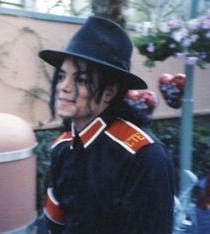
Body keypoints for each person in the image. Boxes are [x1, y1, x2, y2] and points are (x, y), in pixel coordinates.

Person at [37, 16, 174, 234]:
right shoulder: (62, 148)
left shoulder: (144, 156)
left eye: (81, 79)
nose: (64, 86)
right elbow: (53, 225)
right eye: (62, 76)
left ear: (109, 92)